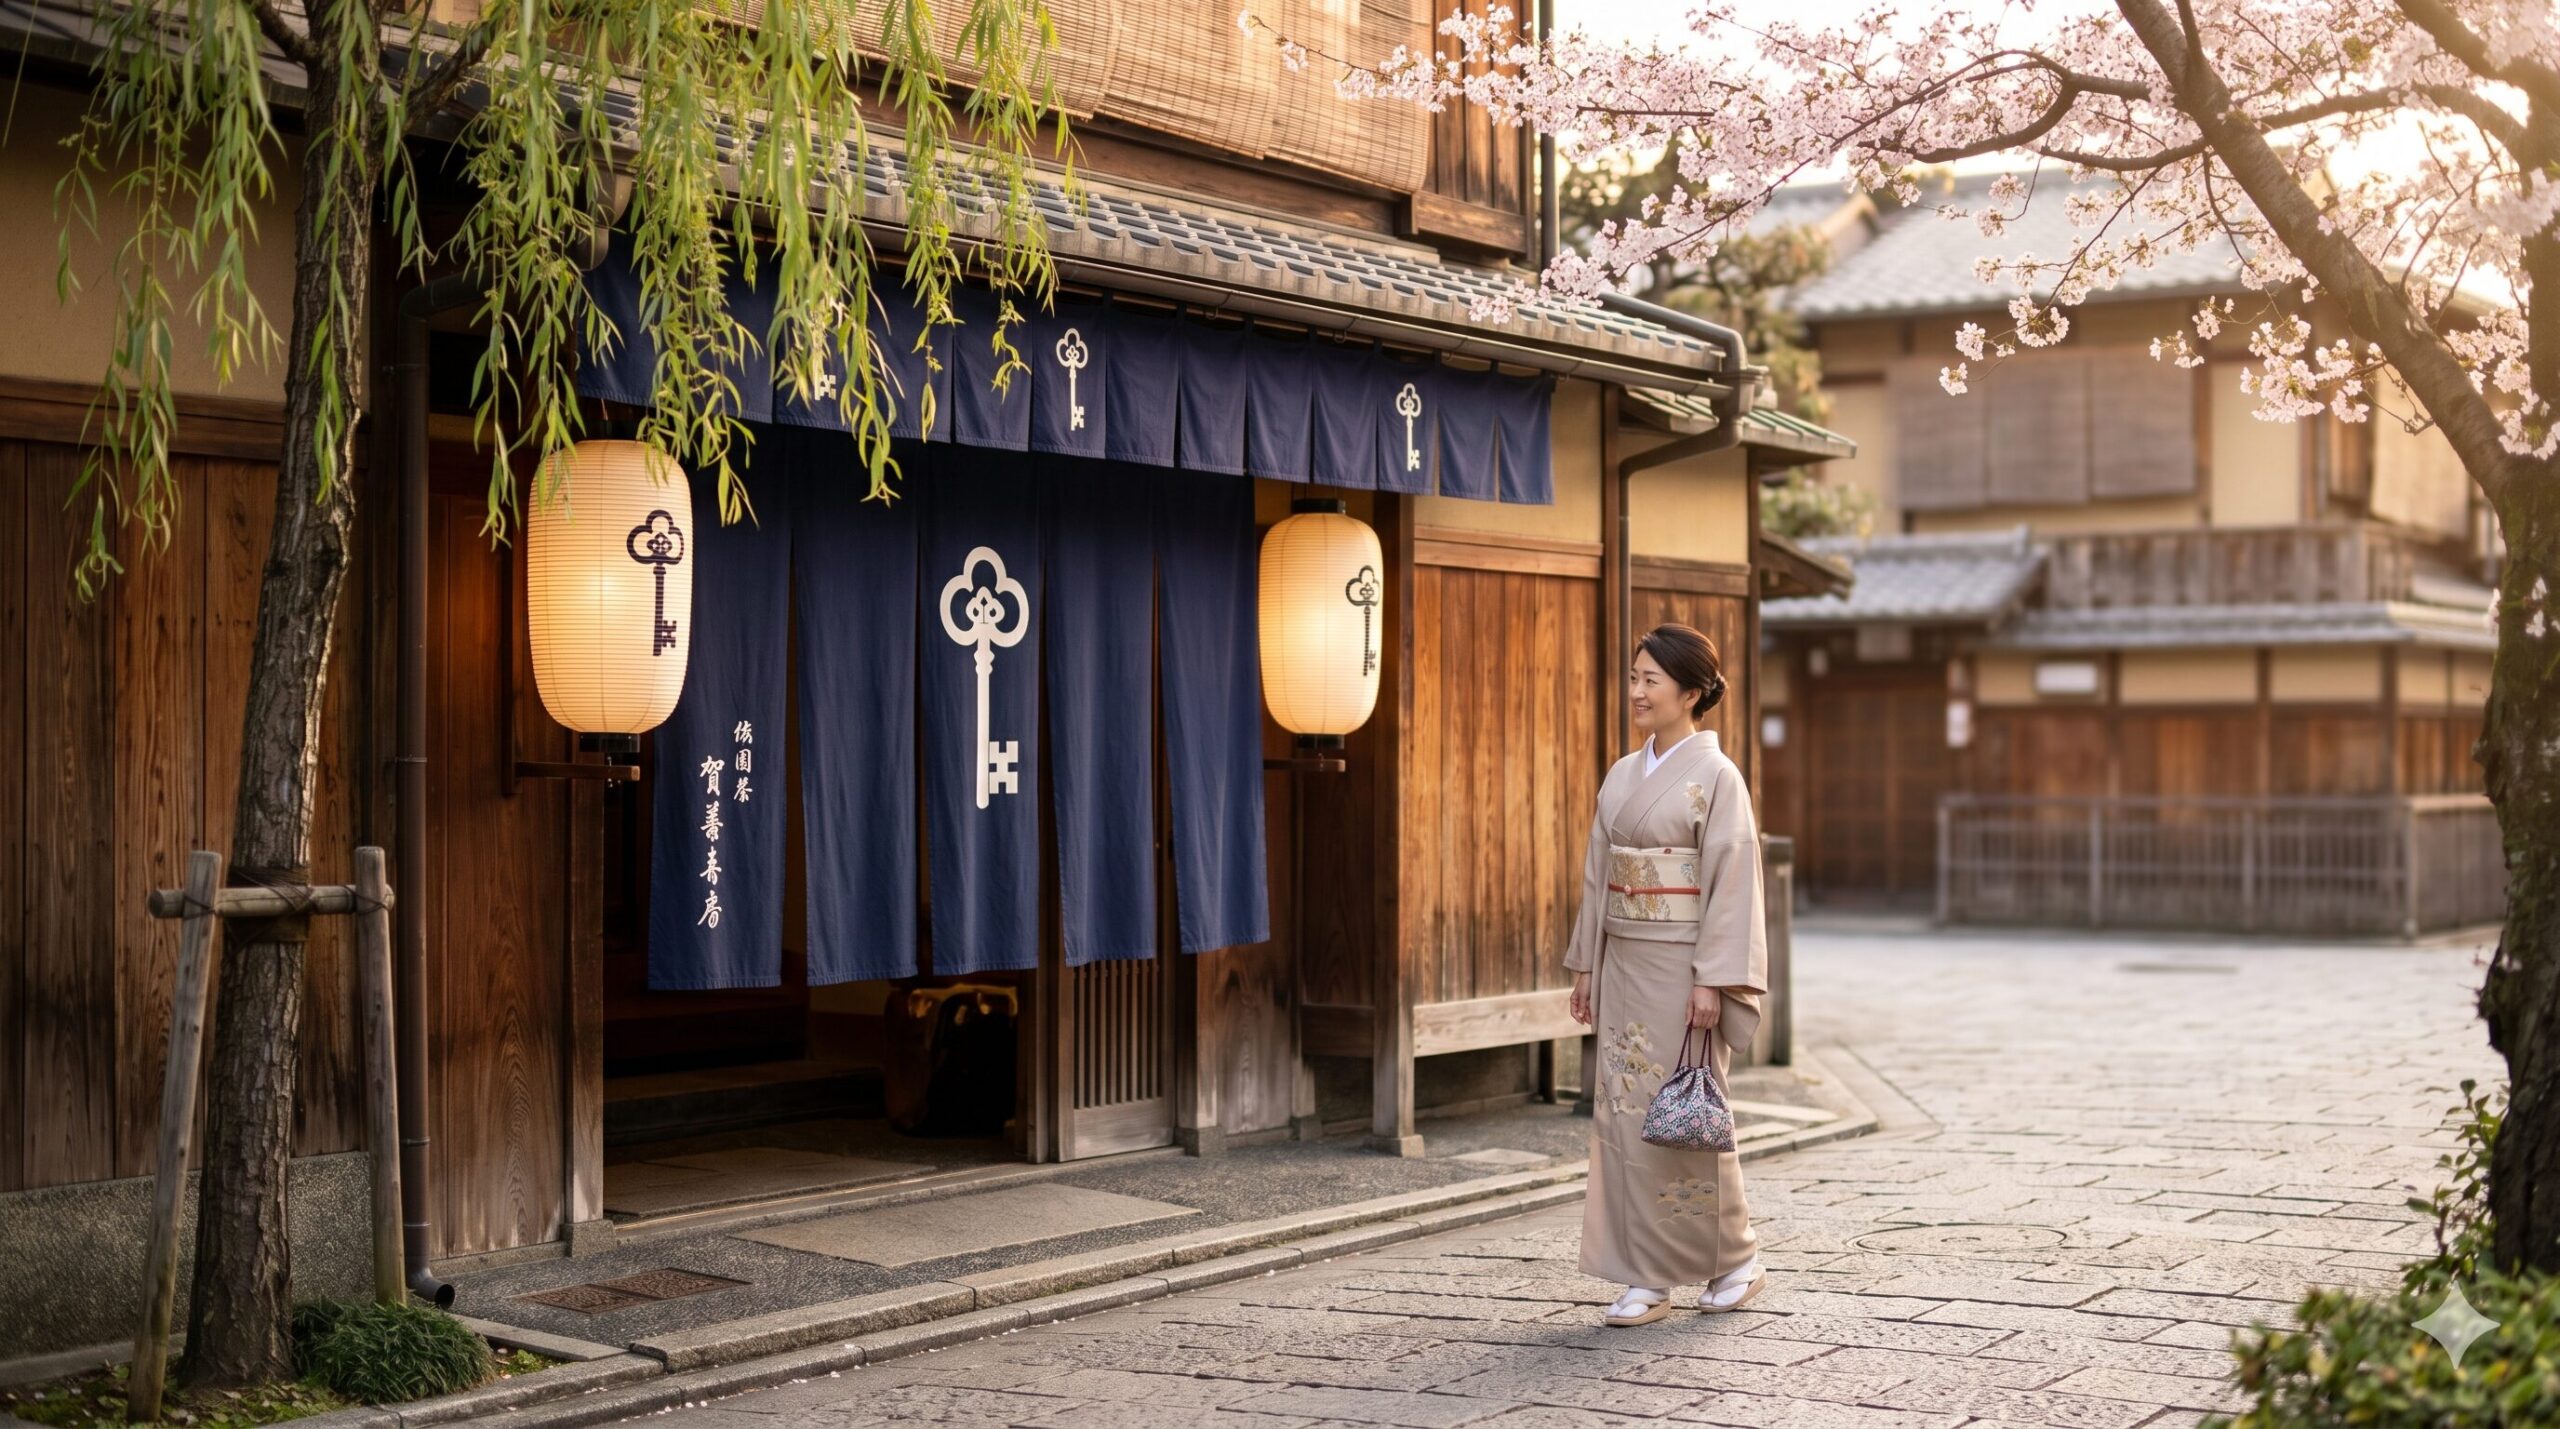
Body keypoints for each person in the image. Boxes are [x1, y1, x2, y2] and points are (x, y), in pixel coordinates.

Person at [1565, 622, 1769, 1326]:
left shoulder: (1717, 776)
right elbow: (1599, 875)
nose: (1636, 691)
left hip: (1684, 969)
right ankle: (1645, 1273)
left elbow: (1733, 879)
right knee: (1625, 1117)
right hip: (1625, 960)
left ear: (1690, 690)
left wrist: (1714, 977)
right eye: (1633, 676)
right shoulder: (1624, 773)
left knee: (1688, 1116)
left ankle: (1735, 1258)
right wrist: (1588, 961)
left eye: (1651, 679)